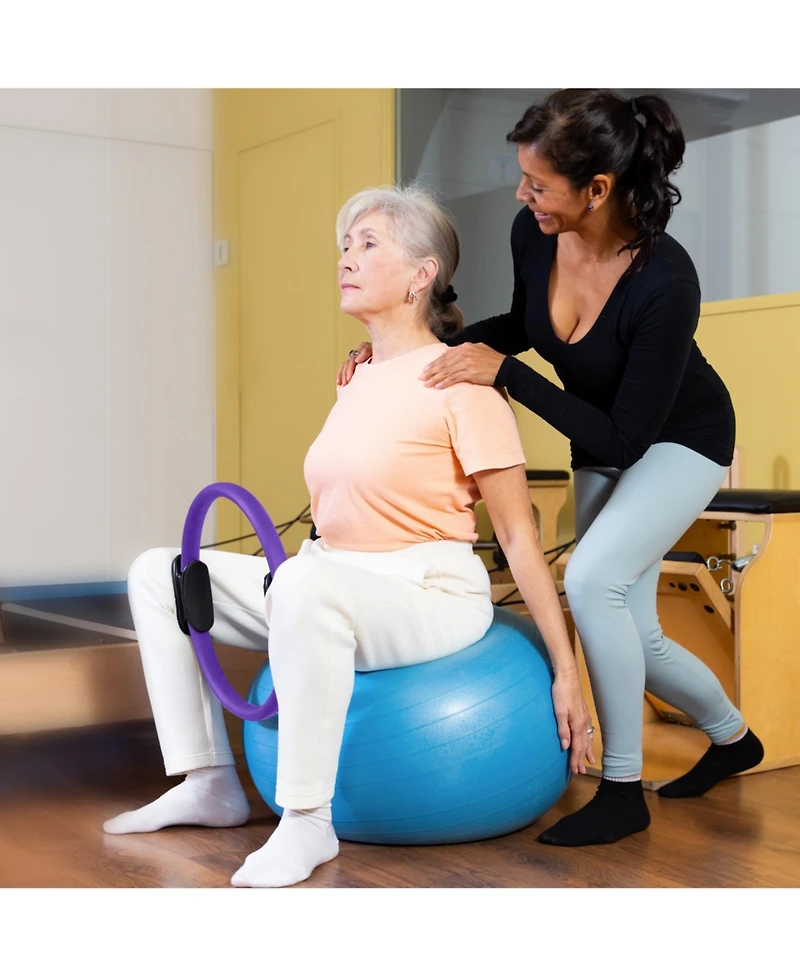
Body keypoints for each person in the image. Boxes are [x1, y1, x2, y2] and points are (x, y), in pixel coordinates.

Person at [103, 185, 592, 886]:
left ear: (423, 274)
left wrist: (567, 671)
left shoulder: (467, 385)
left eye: (368, 244)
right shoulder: (357, 375)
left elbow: (518, 534)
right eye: (344, 245)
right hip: (327, 577)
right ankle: (208, 779)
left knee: (305, 580)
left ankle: (307, 820)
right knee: (160, 573)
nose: (346, 258)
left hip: (427, 592)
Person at [339, 90, 764, 848]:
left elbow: (627, 433)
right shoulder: (533, 234)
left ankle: (623, 788)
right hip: (600, 438)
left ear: (597, 189)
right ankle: (734, 738)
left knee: (591, 581)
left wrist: (505, 375)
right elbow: (526, 327)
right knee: (629, 624)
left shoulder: (666, 279)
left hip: (680, 441)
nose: (520, 194)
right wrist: (415, 345)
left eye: (537, 183)